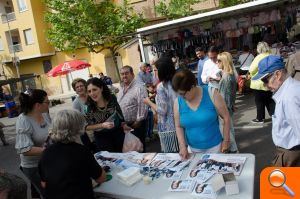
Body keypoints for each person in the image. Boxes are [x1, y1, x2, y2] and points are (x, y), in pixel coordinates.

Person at [38, 109, 106, 199]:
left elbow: (44, 184)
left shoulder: (46, 152)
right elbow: (101, 178)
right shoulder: (81, 151)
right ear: (77, 129)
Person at [252, 55, 300, 166]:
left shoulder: (288, 98)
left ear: (278, 74)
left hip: (291, 155)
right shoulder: (292, 88)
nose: (265, 85)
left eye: (265, 80)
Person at [172, 69, 230, 159]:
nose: (182, 97)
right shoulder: (178, 102)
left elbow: (226, 117)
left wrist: (226, 141)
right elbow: (178, 126)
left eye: (183, 94)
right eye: (179, 94)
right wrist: (182, 146)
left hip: (216, 149)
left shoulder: (212, 93)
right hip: (193, 150)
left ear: (192, 87)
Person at [15, 89, 51, 198]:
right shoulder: (23, 120)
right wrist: (50, 150)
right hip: (33, 166)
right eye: (47, 102)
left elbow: (51, 131)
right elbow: (25, 149)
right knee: (48, 193)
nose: (49, 104)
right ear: (37, 105)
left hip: (46, 161)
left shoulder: (44, 114)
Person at [143, 57, 179, 153]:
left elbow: (162, 110)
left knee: (172, 156)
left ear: (162, 70)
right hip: (181, 124)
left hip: (169, 129)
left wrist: (148, 102)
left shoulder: (161, 86)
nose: (154, 72)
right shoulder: (177, 81)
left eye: (156, 70)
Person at [85, 77, 126, 152]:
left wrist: (124, 124)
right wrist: (102, 125)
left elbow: (119, 113)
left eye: (94, 89)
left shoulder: (112, 98)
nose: (92, 93)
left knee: (122, 159)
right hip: (102, 138)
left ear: (101, 88)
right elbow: (87, 126)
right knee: (109, 161)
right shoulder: (89, 106)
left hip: (118, 134)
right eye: (89, 91)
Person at [117, 65, 148, 152]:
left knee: (139, 149)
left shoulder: (139, 87)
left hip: (136, 124)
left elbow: (143, 105)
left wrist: (138, 121)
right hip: (124, 125)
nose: (124, 76)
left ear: (132, 74)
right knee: (129, 150)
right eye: (122, 74)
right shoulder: (121, 88)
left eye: (126, 73)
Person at [217, 52, 238, 153]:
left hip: (224, 109)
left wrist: (220, 110)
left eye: (218, 61)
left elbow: (225, 97)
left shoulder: (226, 77)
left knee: (228, 132)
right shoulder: (230, 75)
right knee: (230, 130)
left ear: (223, 62)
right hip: (228, 108)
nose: (216, 63)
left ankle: (234, 151)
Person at [249, 41, 275, 124]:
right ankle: (275, 115)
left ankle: (260, 118)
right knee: (270, 100)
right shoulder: (271, 55)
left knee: (259, 101)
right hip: (270, 80)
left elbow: (252, 70)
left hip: (258, 82)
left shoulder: (259, 57)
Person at [71, 78, 95, 152]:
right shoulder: (76, 102)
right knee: (92, 150)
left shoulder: (92, 95)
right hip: (86, 132)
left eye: (81, 86)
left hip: (99, 127)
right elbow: (76, 120)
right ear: (75, 90)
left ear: (85, 86)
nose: (79, 88)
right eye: (77, 87)